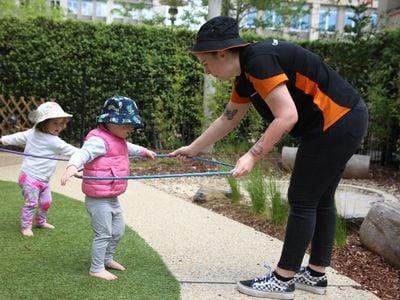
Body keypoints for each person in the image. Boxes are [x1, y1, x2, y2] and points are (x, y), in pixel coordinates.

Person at [171, 16, 368, 299]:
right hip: (343, 120)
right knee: (319, 198)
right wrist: (193, 148)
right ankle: (315, 274)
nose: (206, 71)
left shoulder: (258, 62)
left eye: (205, 63)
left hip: (337, 121)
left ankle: (283, 279)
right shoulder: (246, 75)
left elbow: (287, 116)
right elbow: (228, 118)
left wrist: (252, 155)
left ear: (223, 53)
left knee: (302, 198)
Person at [61, 96, 156, 281]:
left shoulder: (116, 138)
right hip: (98, 199)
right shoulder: (98, 141)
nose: (131, 128)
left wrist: (143, 150)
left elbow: (127, 147)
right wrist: (72, 166)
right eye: (126, 123)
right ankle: (96, 268)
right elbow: (83, 153)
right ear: (109, 122)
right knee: (103, 234)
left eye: (132, 124)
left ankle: (106, 259)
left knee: (118, 231)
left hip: (111, 196)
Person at [0, 102, 78, 237]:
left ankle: (41, 222)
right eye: (55, 123)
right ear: (43, 123)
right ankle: (26, 227)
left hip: (43, 179)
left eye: (61, 123)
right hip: (29, 177)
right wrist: (3, 140)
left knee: (46, 202)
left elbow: (71, 151)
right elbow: (17, 137)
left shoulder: (52, 139)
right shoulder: (38, 135)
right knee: (32, 203)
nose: (59, 127)